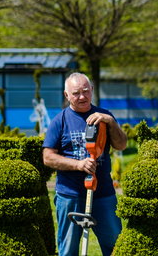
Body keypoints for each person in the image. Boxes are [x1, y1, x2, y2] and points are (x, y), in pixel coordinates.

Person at [43, 72, 128, 256]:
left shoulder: (105, 116)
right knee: (69, 250)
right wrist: (78, 165)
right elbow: (48, 157)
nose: (82, 96)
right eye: (75, 93)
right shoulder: (60, 121)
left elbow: (121, 145)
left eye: (85, 91)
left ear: (92, 90)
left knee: (116, 246)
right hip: (70, 196)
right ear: (67, 96)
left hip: (104, 194)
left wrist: (111, 122)